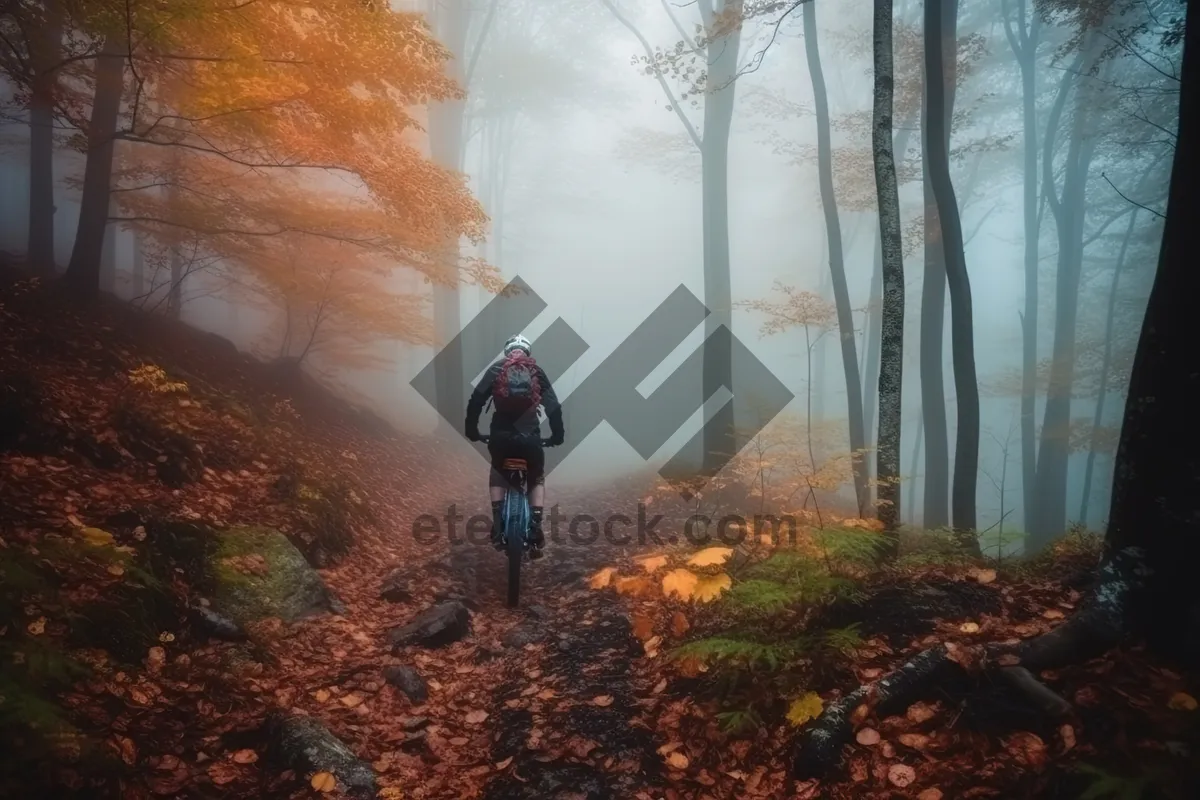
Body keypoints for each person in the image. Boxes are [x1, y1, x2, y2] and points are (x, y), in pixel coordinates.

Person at [464, 334, 564, 559]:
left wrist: (472, 431)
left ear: (507, 351)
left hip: (501, 437)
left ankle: (498, 521)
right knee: (536, 475)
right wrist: (557, 436)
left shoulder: (496, 370)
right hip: (530, 438)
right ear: (527, 351)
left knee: (498, 469)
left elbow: (475, 402)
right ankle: (535, 524)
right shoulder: (536, 372)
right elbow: (553, 407)